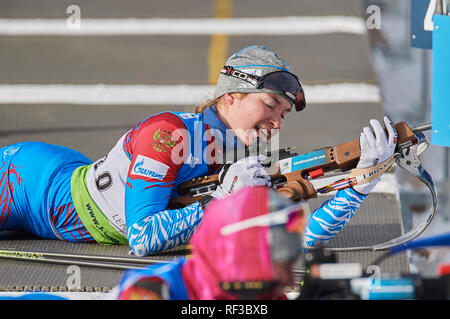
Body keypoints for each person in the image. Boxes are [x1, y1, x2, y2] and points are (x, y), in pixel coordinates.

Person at [0, 45, 397, 256]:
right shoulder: (168, 136)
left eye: (285, 113)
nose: (278, 122)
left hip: (60, 194)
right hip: (26, 185)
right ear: (234, 95)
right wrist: (222, 199)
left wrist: (361, 181)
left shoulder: (242, 159)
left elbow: (301, 241)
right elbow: (142, 240)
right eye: (273, 104)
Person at [111, 186, 305, 300]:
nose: (291, 281)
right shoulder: (151, 290)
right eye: (285, 265)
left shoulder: (264, 294)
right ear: (243, 257)